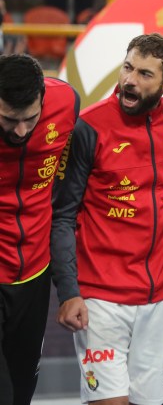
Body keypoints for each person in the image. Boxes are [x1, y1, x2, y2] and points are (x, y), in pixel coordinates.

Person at [50, 33, 163, 404]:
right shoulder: (88, 126)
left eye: (145, 74)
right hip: (101, 298)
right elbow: (61, 216)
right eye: (127, 68)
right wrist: (68, 292)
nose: (130, 80)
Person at [0, 54, 78, 405]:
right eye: (8, 119)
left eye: (29, 119)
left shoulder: (66, 102)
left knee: (21, 393)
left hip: (34, 274)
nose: (20, 130)